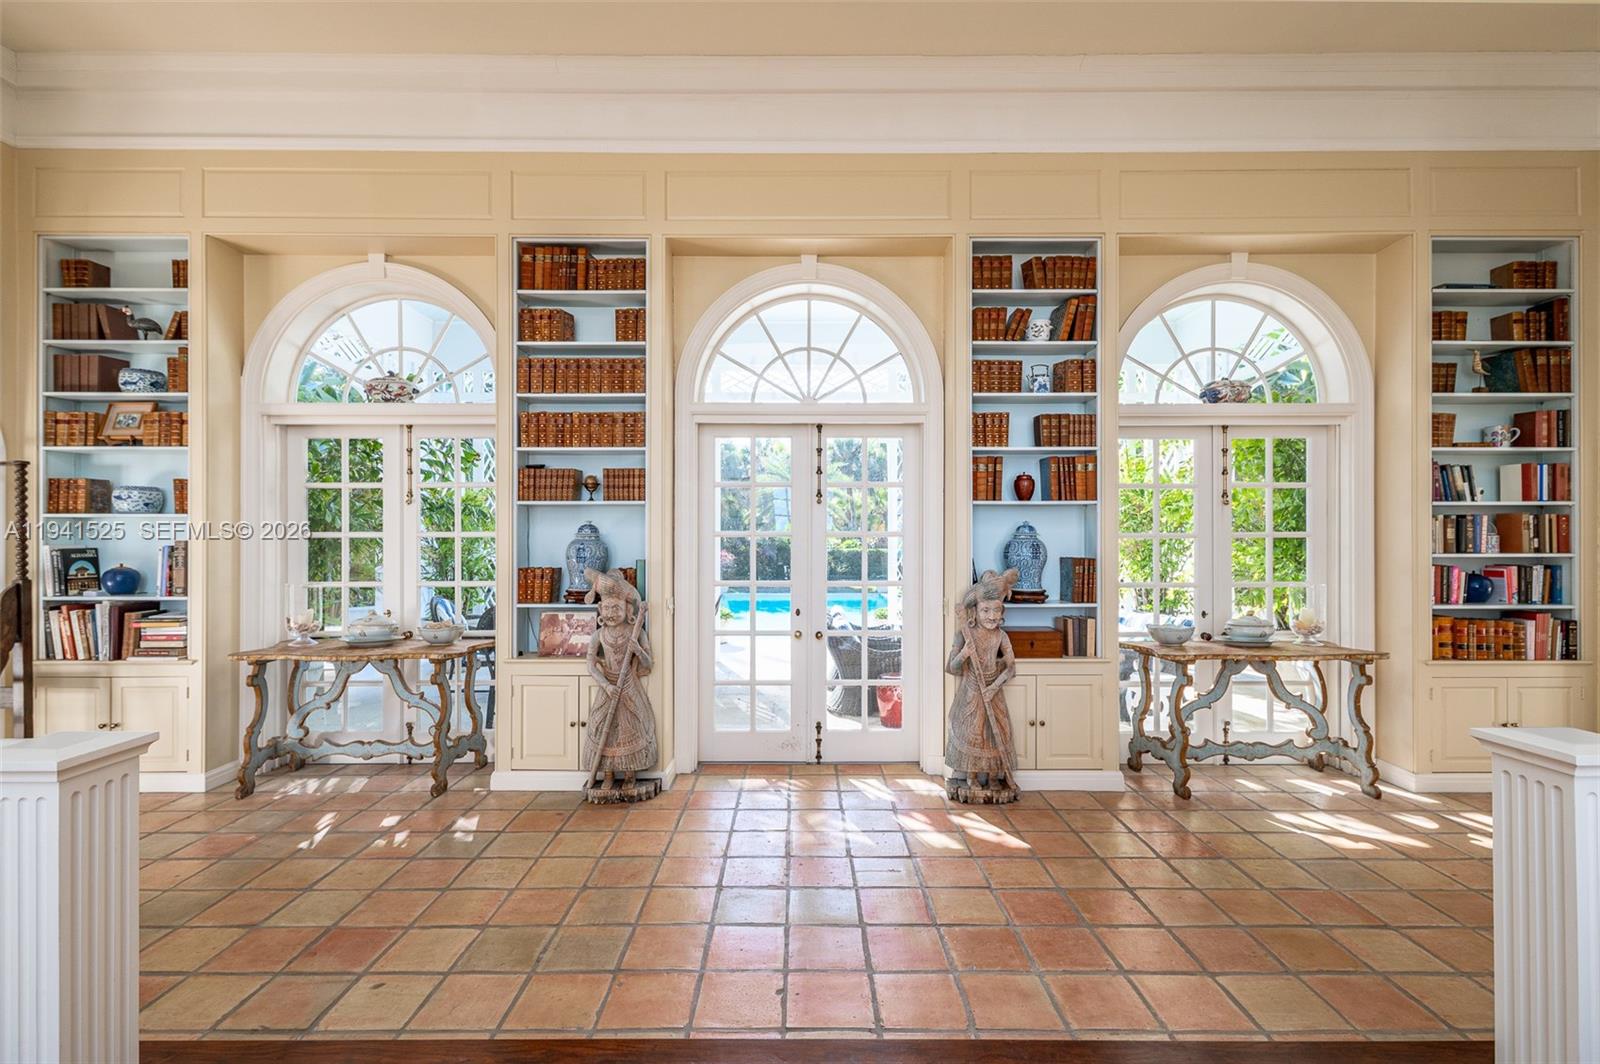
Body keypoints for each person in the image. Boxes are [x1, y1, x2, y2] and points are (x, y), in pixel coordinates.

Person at [945, 568, 1019, 795]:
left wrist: (994, 687)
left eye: (996, 610)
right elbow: (952, 668)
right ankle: (972, 776)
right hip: (971, 691)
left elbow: (1011, 668)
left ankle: (994, 776)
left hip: (993, 691)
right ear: (974, 611)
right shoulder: (964, 634)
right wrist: (964, 653)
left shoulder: (1001, 636)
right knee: (973, 733)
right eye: (985, 610)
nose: (991, 616)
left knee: (997, 733)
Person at [582, 567, 657, 792]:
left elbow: (648, 664)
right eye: (606, 608)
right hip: (609, 687)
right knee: (604, 729)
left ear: (628, 609)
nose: (611, 613)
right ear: (599, 609)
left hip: (629, 686)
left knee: (632, 727)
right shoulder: (598, 635)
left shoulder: (636, 632)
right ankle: (608, 773)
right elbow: (590, 665)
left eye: (616, 608)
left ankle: (630, 773)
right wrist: (605, 685)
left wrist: (639, 651)